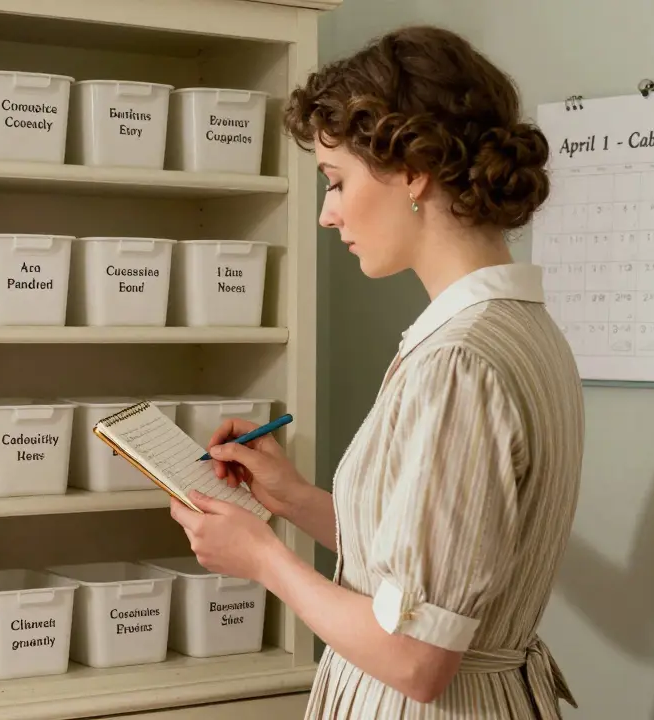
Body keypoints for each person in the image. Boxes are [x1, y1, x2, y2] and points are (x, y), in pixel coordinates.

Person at [166, 25, 584, 719]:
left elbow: (418, 660)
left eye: (336, 181)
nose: (328, 215)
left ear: (413, 169)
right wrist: (294, 498)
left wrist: (265, 559)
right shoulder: (521, 330)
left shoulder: (459, 363)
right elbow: (426, 576)